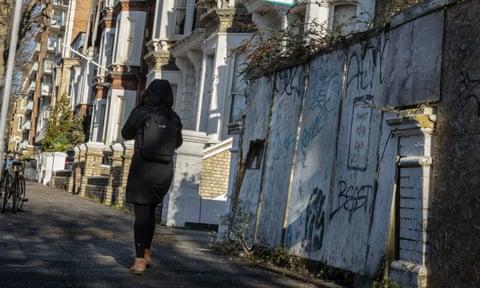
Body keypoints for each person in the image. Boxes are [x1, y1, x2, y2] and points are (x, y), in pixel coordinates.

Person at [121, 79, 183, 275]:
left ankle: (139, 260)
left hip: (143, 169)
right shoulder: (174, 117)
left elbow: (126, 133)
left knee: (141, 214)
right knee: (152, 211)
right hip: (164, 171)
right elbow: (178, 143)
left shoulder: (141, 112)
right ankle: (146, 253)